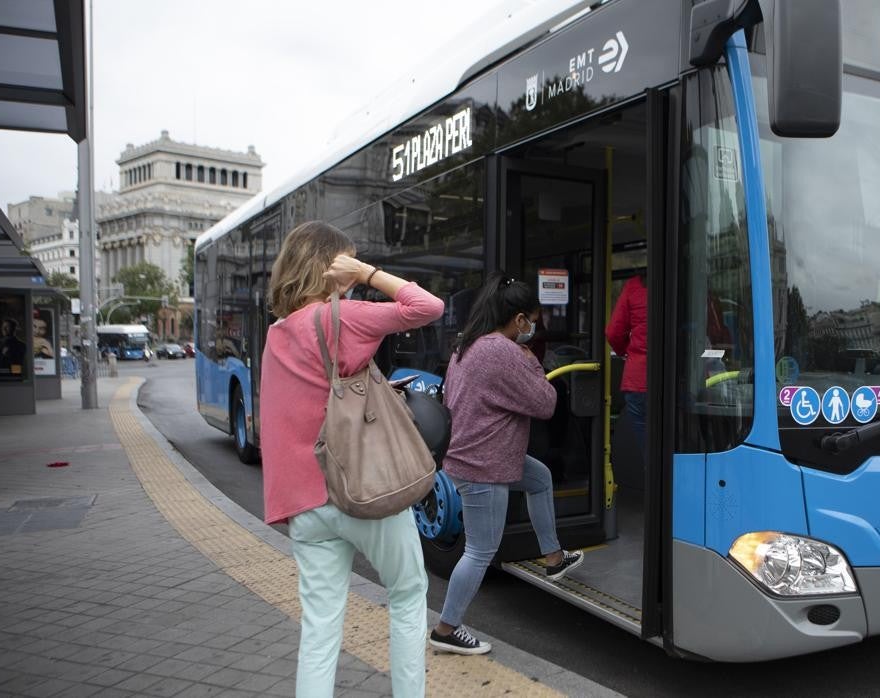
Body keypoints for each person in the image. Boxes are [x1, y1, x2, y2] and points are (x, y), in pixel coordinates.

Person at [260, 220, 444, 697]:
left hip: (304, 503)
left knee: (319, 628)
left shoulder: (277, 334)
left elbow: (283, 423)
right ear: (330, 266)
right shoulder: (338, 318)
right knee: (407, 595)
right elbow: (427, 306)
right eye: (345, 260)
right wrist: (367, 272)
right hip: (364, 490)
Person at [431, 273, 583, 655]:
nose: (534, 329)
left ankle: (552, 557)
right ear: (518, 319)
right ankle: (446, 629)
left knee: (540, 478)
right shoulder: (502, 352)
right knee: (480, 550)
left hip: (477, 454)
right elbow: (545, 404)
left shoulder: (468, 344)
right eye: (533, 320)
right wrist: (532, 362)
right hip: (483, 464)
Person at [605, 273, 648, 450]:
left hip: (638, 379)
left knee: (647, 446)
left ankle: (649, 473)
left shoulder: (634, 286)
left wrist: (628, 352)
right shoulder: (688, 281)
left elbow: (613, 333)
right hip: (679, 380)